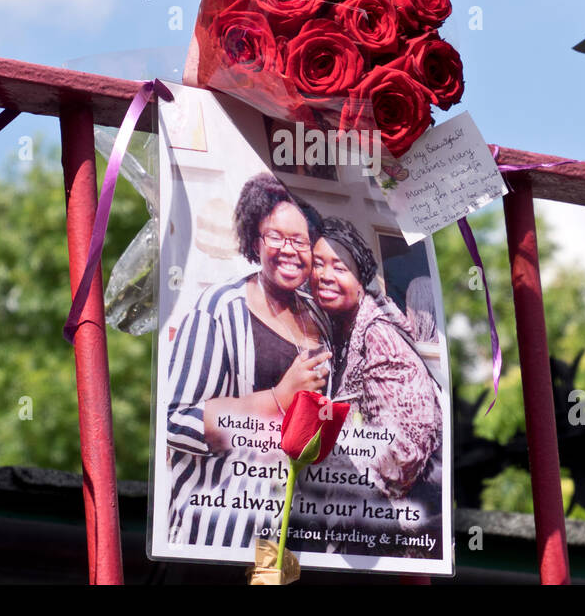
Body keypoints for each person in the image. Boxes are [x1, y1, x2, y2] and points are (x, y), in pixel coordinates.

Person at [164, 173, 333, 549]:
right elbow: (173, 421)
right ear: (255, 242)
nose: (290, 250)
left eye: (300, 241)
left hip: (293, 536)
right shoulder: (219, 310)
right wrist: (277, 397)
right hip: (217, 535)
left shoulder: (319, 319)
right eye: (276, 237)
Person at [311, 218, 442, 502]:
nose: (325, 275)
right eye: (317, 264)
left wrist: (334, 472)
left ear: (361, 281)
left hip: (382, 515)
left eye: (339, 267)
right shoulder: (337, 325)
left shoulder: (379, 335)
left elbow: (404, 447)